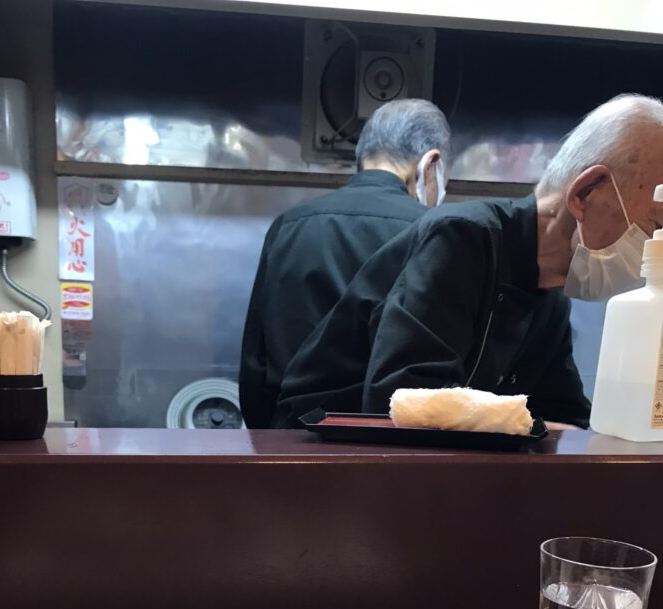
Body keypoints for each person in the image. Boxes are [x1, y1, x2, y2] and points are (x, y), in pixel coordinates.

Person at [276, 94, 663, 430]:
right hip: (322, 458)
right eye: (656, 224)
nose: (655, 245)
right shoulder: (465, 237)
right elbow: (409, 402)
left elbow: (569, 419)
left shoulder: (551, 292)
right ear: (585, 193)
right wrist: (531, 423)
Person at [239, 99, 452, 428]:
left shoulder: (288, 226)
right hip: (395, 451)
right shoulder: (435, 235)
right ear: (431, 164)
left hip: (294, 444)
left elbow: (255, 364)